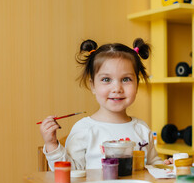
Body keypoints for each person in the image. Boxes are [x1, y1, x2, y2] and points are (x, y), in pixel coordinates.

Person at [40, 38, 173, 170]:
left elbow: (152, 165)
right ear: (92, 85)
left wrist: (166, 167)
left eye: (126, 79)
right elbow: (70, 173)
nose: (117, 88)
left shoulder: (142, 129)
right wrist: (52, 144)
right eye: (106, 79)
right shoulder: (84, 130)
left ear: (137, 84)